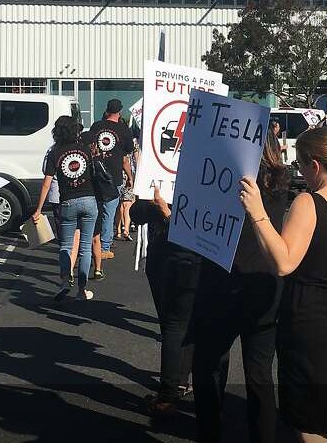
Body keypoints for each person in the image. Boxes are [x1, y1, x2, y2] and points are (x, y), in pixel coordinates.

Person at [239, 127, 327, 443]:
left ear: (314, 165)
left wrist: (257, 212)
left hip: (315, 320)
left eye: (300, 165)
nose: (299, 171)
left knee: (311, 419)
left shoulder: (309, 203)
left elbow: (284, 262)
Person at [192, 132, 291, 443]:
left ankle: (210, 433)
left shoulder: (224, 183)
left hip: (221, 284)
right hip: (263, 286)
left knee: (209, 367)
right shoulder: (280, 183)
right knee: (260, 375)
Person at [135, 187, 202, 416]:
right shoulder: (160, 183)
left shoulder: (159, 184)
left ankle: (169, 391)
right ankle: (178, 383)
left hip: (174, 259)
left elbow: (137, 214)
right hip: (179, 260)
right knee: (180, 325)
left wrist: (162, 210)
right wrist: (153, 206)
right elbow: (136, 214)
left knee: (174, 326)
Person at [33, 118, 98, 302]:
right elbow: (93, 174)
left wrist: (38, 209)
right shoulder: (85, 149)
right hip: (89, 200)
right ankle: (82, 290)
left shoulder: (55, 153)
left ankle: (64, 282)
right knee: (85, 247)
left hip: (68, 202)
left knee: (66, 246)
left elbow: (47, 183)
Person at [90, 99, 136, 261]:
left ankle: (90, 244)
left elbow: (90, 148)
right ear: (120, 112)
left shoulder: (96, 126)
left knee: (95, 212)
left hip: (95, 175)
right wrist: (130, 177)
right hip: (114, 177)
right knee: (108, 213)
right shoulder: (124, 130)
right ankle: (104, 247)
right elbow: (125, 159)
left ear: (107, 110)